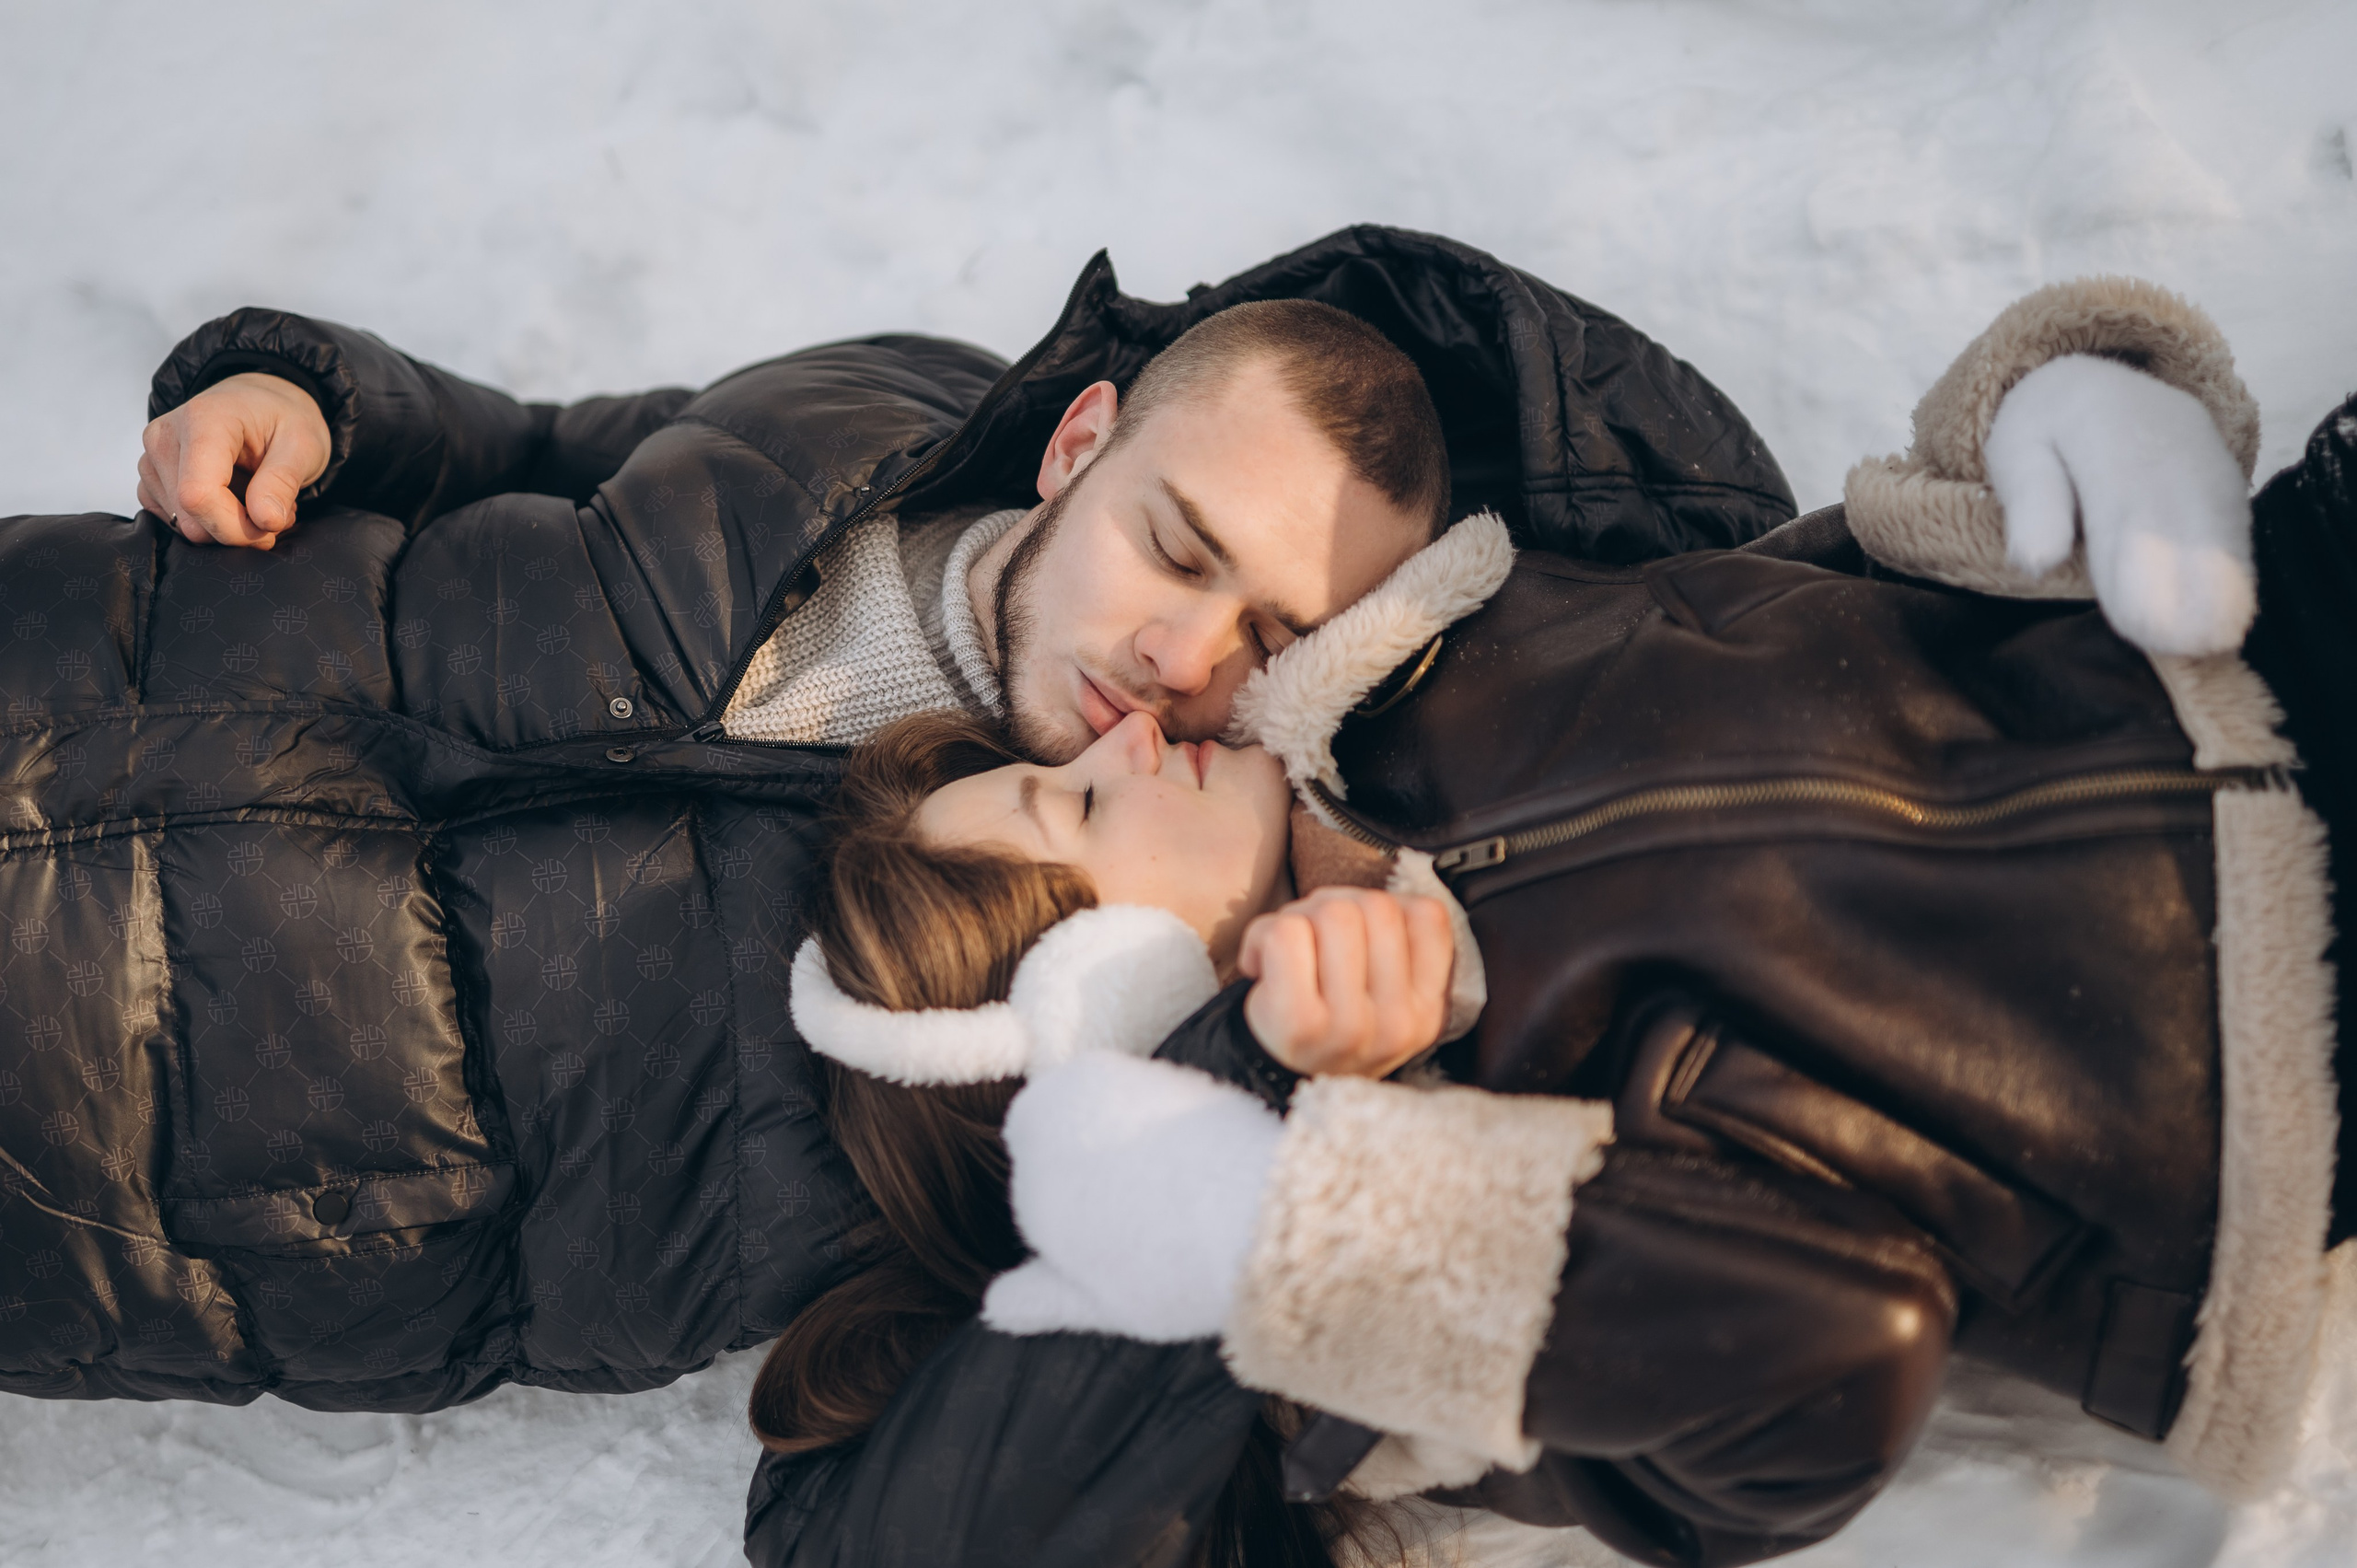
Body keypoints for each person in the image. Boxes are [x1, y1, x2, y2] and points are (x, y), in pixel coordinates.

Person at [0, 229, 1797, 1411]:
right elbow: (537, 444)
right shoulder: (886, 411)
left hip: (79, 1131)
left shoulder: (1047, 996)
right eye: (1176, 551)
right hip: (59, 653)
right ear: (1077, 443)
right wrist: (316, 398)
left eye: (1272, 640)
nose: (1185, 662)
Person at [744, 278, 2353, 1567]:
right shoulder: (1408, 1232)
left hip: (2259, 621)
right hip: (2271, 1042)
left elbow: (1800, 599)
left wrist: (2048, 412)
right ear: (1116, 999)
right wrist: (1293, 1205)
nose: (1132, 732)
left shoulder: (1416, 666)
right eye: (1080, 809)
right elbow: (1827, 1372)